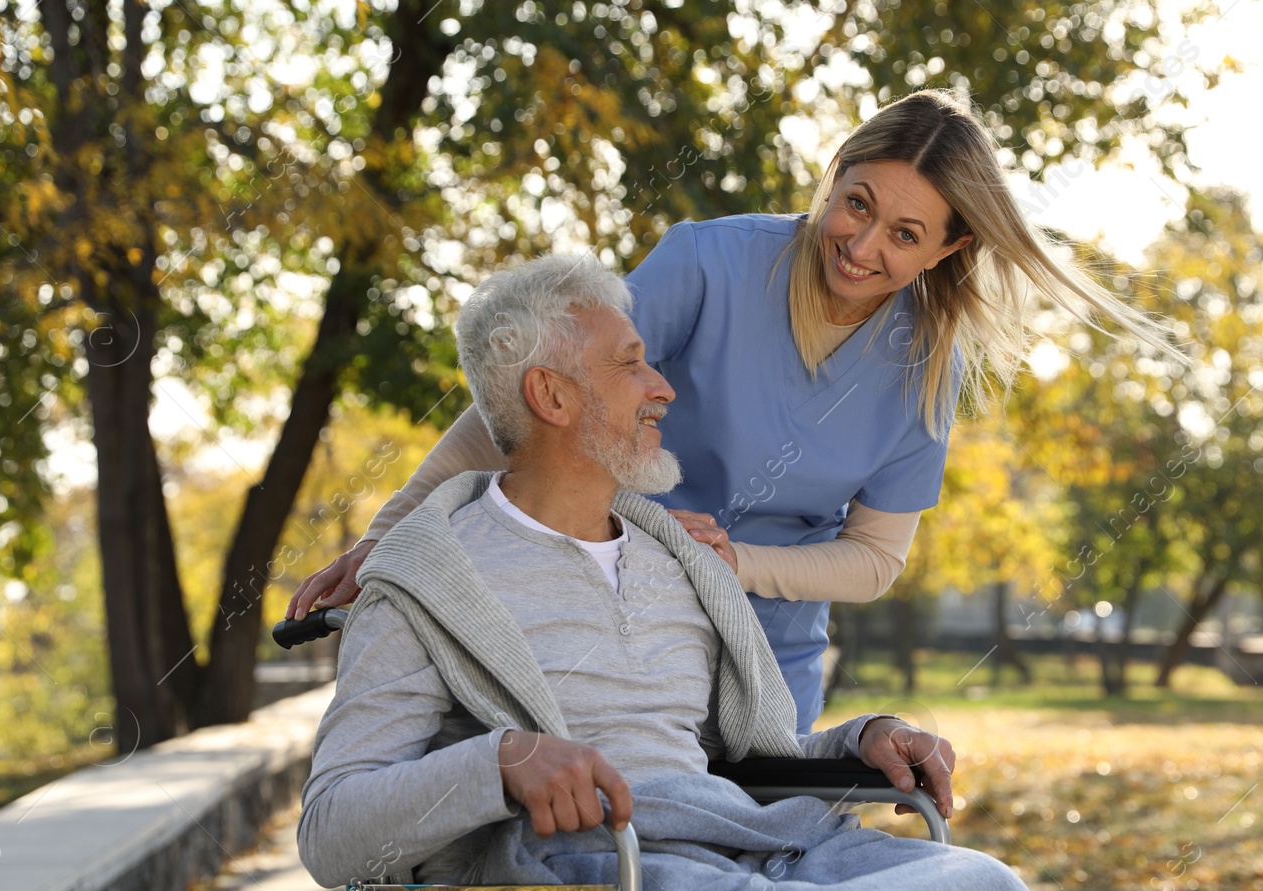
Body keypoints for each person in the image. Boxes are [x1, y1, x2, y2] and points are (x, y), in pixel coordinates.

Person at [297, 254, 1106, 891]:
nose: (663, 387)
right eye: (631, 363)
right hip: (565, 886)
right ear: (551, 395)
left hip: (733, 841)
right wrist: (500, 761)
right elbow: (331, 830)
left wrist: (858, 741)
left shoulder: (673, 558)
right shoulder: (427, 580)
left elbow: (736, 756)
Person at [287, 87, 1175, 732]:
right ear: (833, 180)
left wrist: (736, 561)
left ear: (950, 248)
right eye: (855, 203)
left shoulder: (927, 369)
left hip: (771, 658)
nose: (862, 247)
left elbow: (873, 560)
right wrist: (390, 537)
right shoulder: (709, 265)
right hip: (618, 631)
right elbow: (536, 398)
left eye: (905, 235)